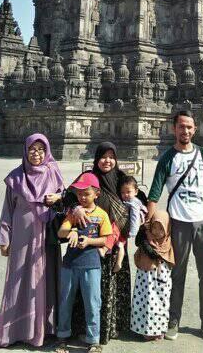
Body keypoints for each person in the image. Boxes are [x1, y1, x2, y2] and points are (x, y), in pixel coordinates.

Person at [147, 110, 203, 343]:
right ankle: (173, 318)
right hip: (178, 221)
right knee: (176, 273)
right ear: (174, 129)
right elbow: (155, 193)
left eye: (189, 127)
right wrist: (148, 227)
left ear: (194, 129)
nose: (185, 131)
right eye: (181, 126)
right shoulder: (167, 158)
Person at [0, 133, 64, 348]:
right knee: (19, 279)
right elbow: (7, 209)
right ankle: (16, 330)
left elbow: (66, 199)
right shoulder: (16, 177)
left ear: (47, 151)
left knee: (46, 279)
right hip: (22, 238)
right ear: (25, 151)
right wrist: (4, 239)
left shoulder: (53, 173)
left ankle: (46, 328)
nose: (36, 153)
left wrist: (59, 198)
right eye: (32, 149)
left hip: (46, 237)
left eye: (41, 149)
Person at [68, 142, 135, 345]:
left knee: (110, 285)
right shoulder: (89, 178)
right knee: (90, 290)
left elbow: (137, 198)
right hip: (90, 246)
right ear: (96, 159)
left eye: (111, 156)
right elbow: (68, 195)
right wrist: (75, 208)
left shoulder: (122, 178)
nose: (107, 160)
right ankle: (84, 328)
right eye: (103, 156)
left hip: (115, 242)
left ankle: (110, 326)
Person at [56, 173, 112, 353]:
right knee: (65, 301)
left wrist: (88, 241)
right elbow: (60, 232)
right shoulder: (73, 212)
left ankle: (93, 340)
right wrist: (71, 230)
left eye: (86, 193)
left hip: (91, 265)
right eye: (79, 194)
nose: (82, 197)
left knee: (93, 302)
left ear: (96, 194)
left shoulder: (101, 215)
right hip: (70, 265)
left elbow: (105, 239)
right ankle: (63, 337)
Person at [131, 210, 175, 341]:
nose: (156, 231)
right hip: (146, 277)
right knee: (145, 301)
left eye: (161, 228)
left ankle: (159, 330)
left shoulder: (167, 242)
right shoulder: (146, 238)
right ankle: (145, 330)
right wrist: (142, 230)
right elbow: (139, 241)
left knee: (161, 302)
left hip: (161, 278)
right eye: (154, 227)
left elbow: (164, 257)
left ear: (167, 228)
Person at [102, 175, 147, 273]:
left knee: (114, 232)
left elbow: (135, 218)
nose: (125, 195)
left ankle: (106, 250)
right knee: (120, 245)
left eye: (128, 192)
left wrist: (132, 232)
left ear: (136, 192)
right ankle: (118, 262)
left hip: (127, 228)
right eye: (122, 192)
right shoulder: (131, 201)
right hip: (125, 228)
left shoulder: (133, 203)